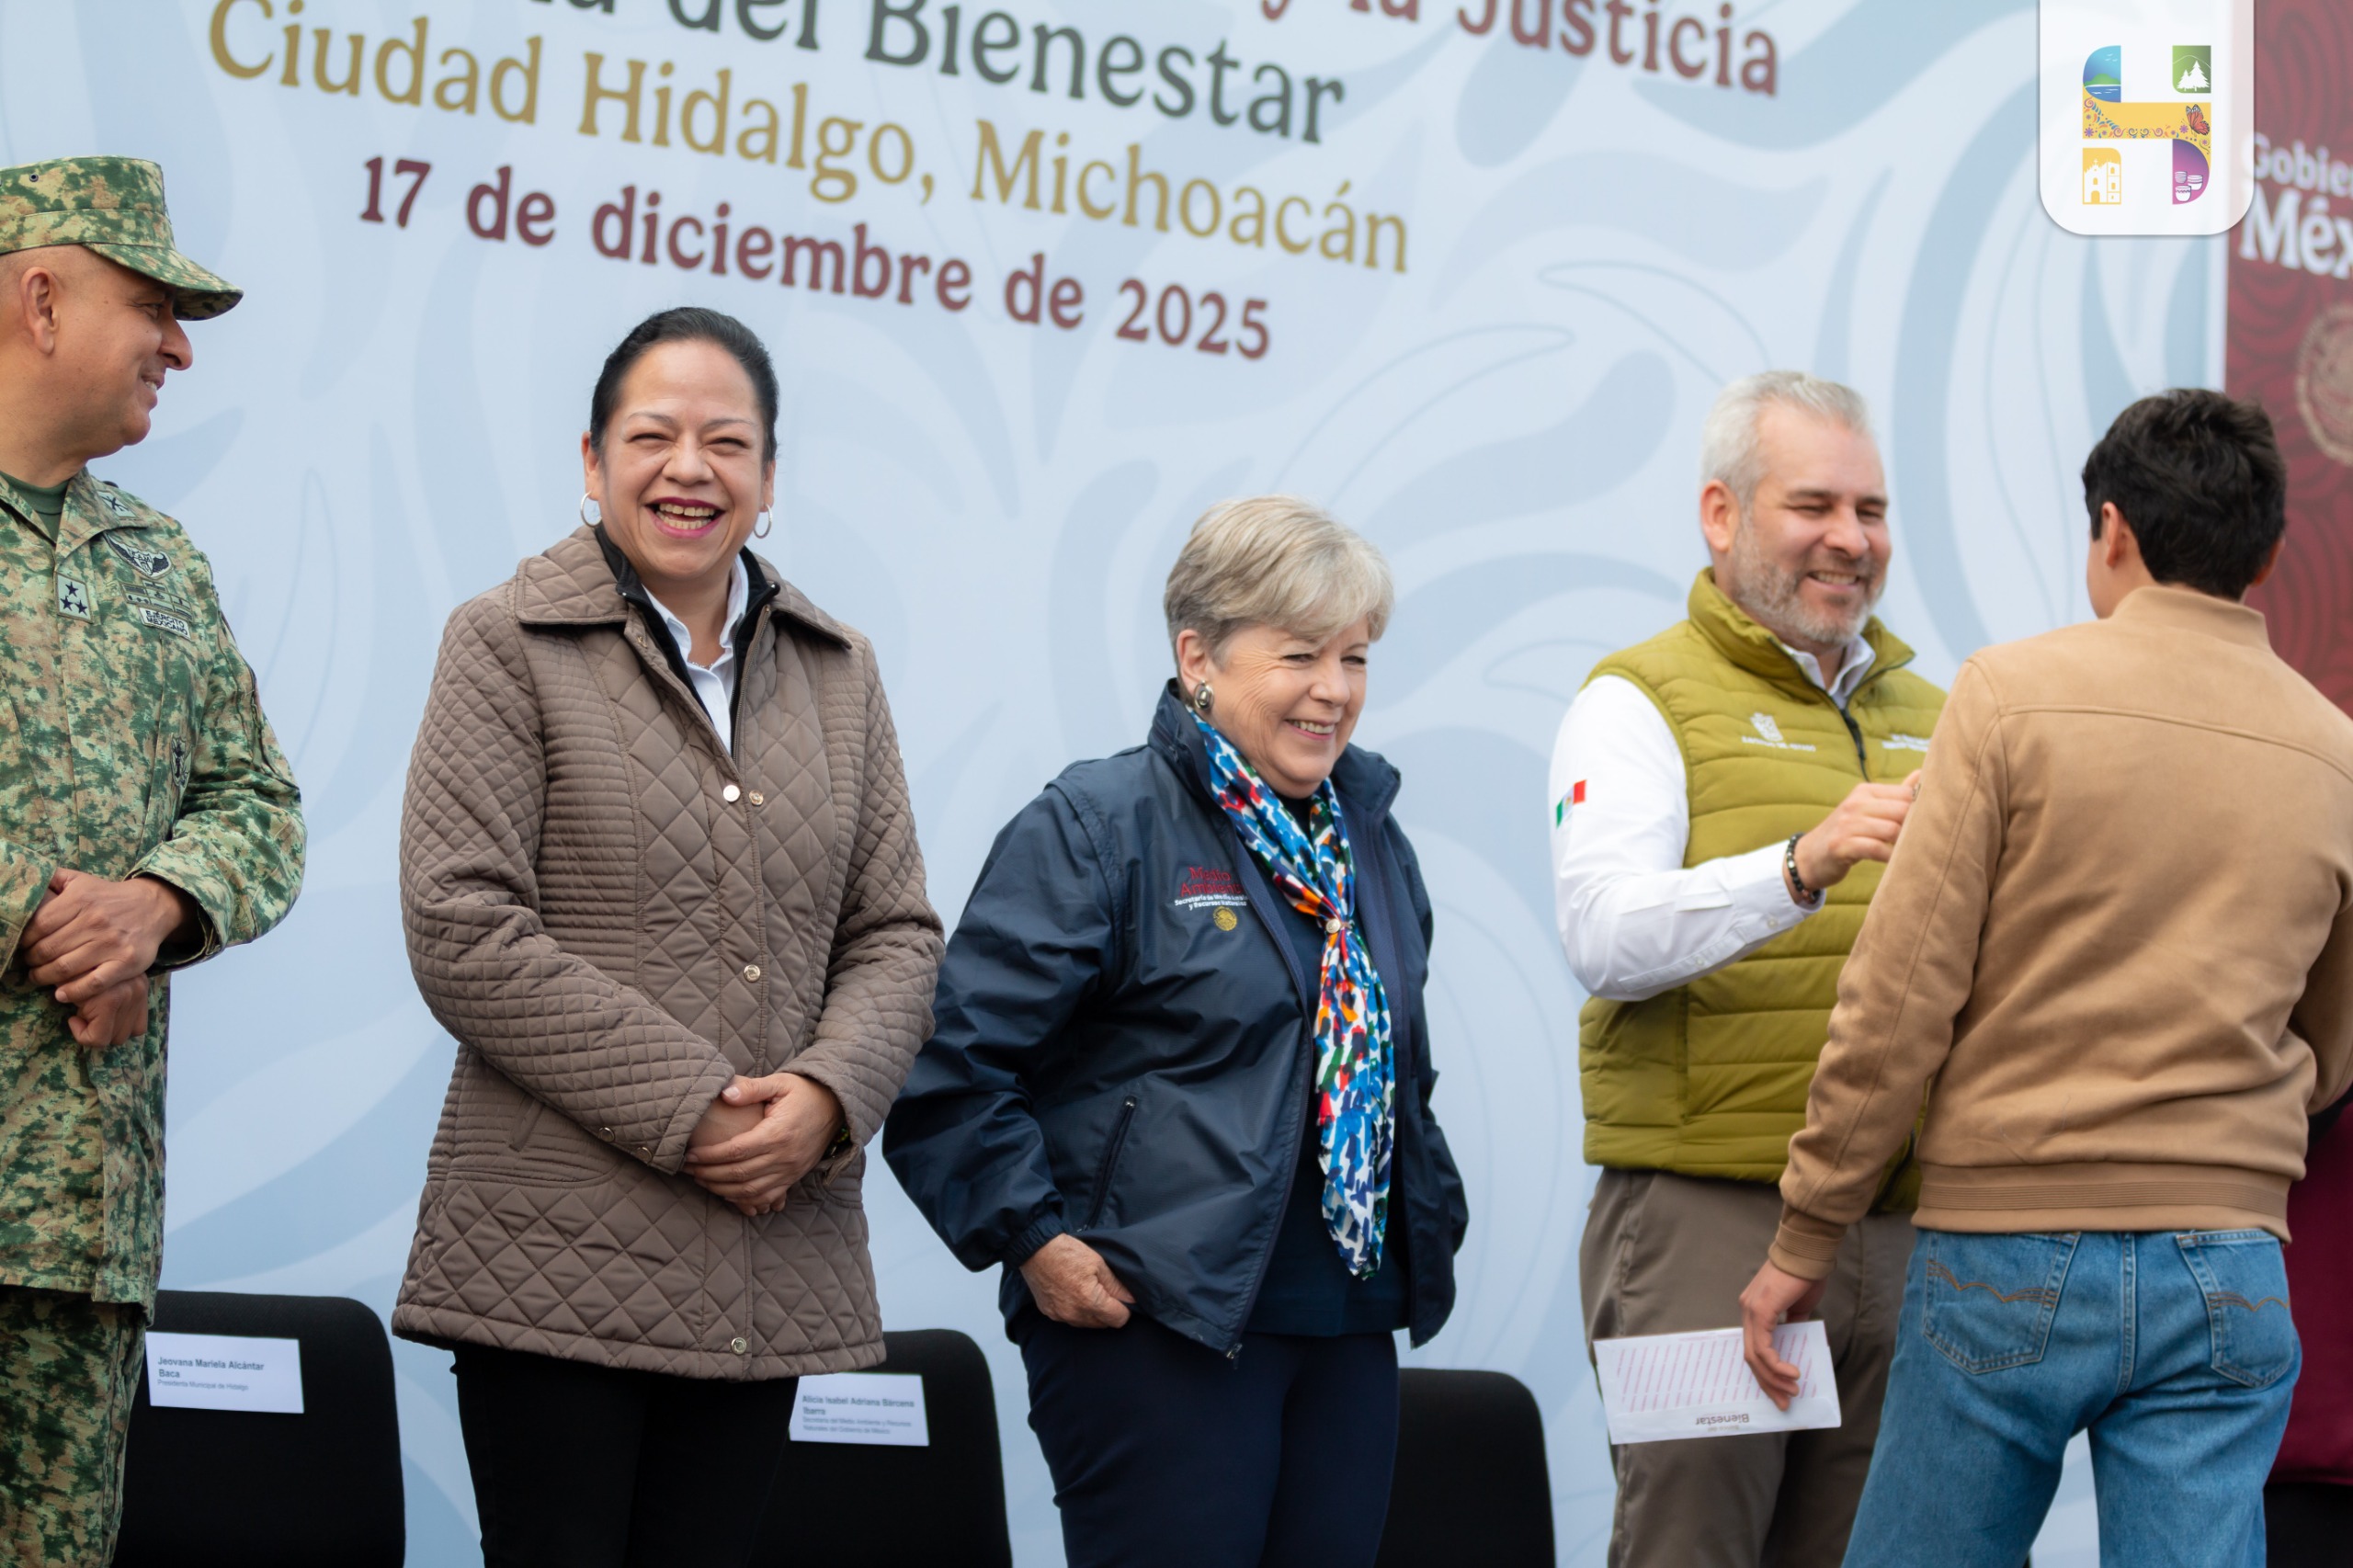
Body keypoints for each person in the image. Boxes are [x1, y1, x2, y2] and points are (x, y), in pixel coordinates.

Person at [1739, 389, 2353, 1566]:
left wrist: (1804, 1236)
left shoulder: (2009, 696)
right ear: (2268, 552)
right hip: (2228, 1258)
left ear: (2110, 531)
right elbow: (2331, 1040)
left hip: (2006, 1243)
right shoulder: (2332, 748)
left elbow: (1896, 998)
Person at [392, 306, 943, 1568]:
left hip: (772, 1250)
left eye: (726, 442)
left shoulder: (839, 670)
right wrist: (696, 1104)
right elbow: (461, 925)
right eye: (652, 435)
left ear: (766, 480)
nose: (688, 468)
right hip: (556, 1260)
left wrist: (822, 1093)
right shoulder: (504, 641)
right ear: (593, 462)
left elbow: (898, 933)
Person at [885, 497, 1468, 1568]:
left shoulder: (1373, 841)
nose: (1333, 690)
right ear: (1197, 653)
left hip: (1347, 1323)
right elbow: (951, 1070)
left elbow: (1399, 1080)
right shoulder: (1097, 824)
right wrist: (1035, 1239)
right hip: (1155, 1322)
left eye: (1355, 656)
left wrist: (1430, 1222)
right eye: (1298, 653)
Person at [1552, 370, 1945, 1567]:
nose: (1851, 539)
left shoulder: (1944, 709)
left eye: (1870, 510)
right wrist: (1796, 864)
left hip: (1899, 1228)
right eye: (1813, 504)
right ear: (1720, 514)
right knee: (1693, 1551)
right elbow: (1605, 937)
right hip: (1708, 1218)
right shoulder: (1637, 697)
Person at [0, 155, 307, 1563]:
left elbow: (261, 801)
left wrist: (158, 907)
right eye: (154, 305)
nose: (180, 345)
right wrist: (48, 921)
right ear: (41, 298)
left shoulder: (159, 561)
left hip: (80, 1233)